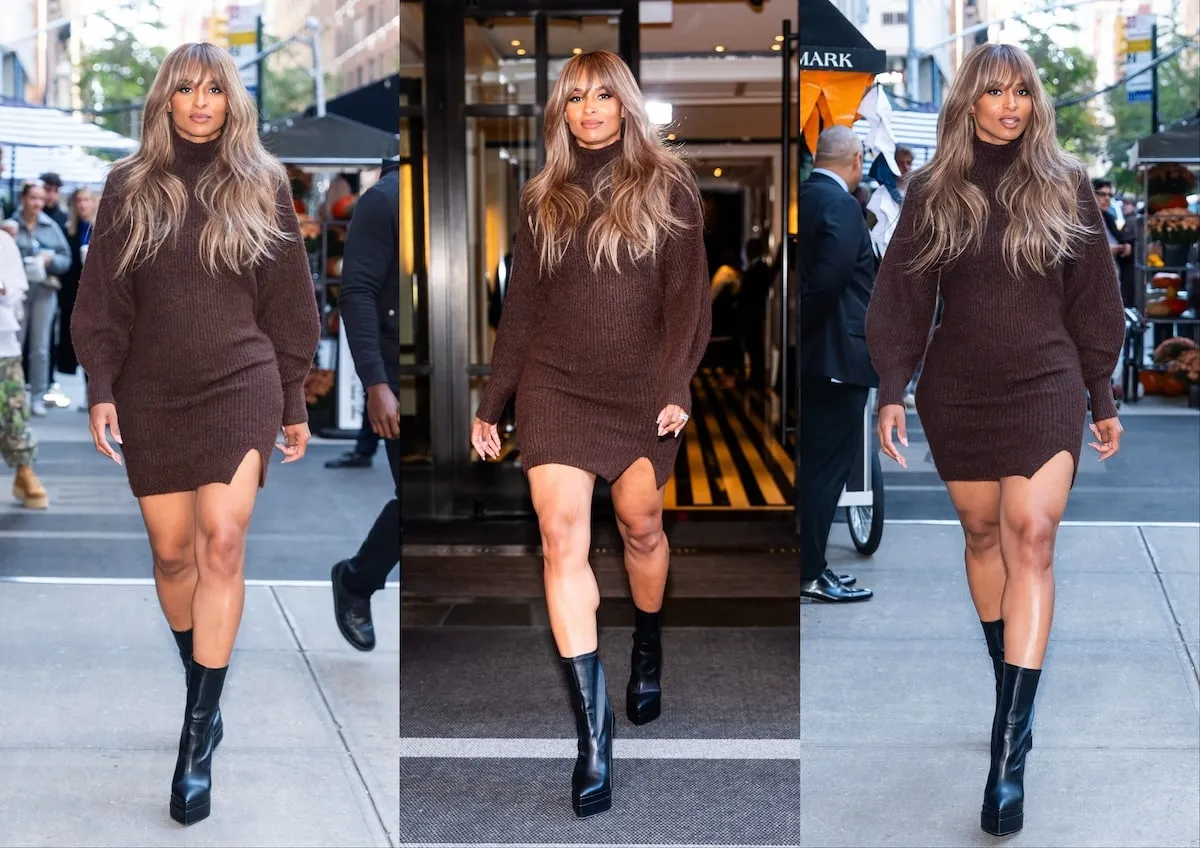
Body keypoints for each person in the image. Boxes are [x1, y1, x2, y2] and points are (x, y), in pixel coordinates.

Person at [864, 44, 1125, 837]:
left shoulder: (1066, 182)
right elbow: (903, 293)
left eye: (1021, 91)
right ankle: (1015, 683)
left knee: (1029, 537)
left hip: (1047, 383)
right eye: (994, 92)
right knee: (982, 535)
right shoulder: (935, 187)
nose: (1009, 104)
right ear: (969, 102)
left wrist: (1102, 391)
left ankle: (1008, 755)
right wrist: (892, 387)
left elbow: (1093, 296)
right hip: (960, 389)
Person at [71, 42, 320, 827]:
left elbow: (289, 303)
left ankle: (196, 739)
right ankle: (201, 685)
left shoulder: (263, 185)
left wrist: (292, 398)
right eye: (187, 89)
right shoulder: (127, 187)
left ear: (231, 101)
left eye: (215, 88)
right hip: (152, 389)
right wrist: (100, 387)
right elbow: (101, 302)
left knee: (221, 541)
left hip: (239, 382)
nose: (202, 101)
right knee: (172, 553)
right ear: (166, 101)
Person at [469, 50, 710, 818]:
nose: (591, 108)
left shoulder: (668, 184)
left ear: (626, 103)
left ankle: (646, 641)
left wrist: (675, 385)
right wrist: (492, 401)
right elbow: (524, 313)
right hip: (556, 386)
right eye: (577, 99)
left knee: (642, 531)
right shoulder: (544, 196)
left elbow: (687, 301)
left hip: (641, 388)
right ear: (562, 113)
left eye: (605, 95)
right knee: (559, 537)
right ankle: (593, 734)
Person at [796, 125, 875, 604]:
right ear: (856, 159)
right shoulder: (841, 205)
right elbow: (831, 280)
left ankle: (810, 566)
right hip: (836, 358)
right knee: (826, 471)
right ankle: (811, 571)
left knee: (813, 467)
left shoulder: (804, 198)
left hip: (815, 358)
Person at [330, 155, 401, 649]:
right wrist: (375, 382)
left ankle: (357, 579)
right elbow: (355, 293)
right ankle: (357, 581)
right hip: (398, 374)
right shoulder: (383, 199)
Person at [5, 180, 71, 417]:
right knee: (14, 344)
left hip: (44, 290)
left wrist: (49, 260)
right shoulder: (11, 224)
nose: (37, 203)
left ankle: (37, 396)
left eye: (40, 199)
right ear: (23, 199)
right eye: (32, 197)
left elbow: (66, 260)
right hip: (16, 292)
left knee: (40, 347)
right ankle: (14, 394)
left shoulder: (50, 226)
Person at [0, 225, 47, 508]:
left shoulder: (3, 241)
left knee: (13, 414)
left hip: (2, 346)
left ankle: (24, 472)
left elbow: (17, 289)